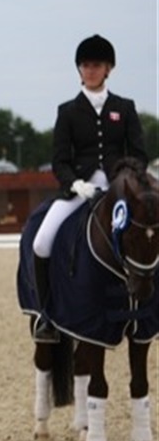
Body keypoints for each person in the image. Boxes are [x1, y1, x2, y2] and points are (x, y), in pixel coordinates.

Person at [31, 34, 147, 342]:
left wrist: (126, 178)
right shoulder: (67, 111)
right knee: (41, 242)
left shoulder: (124, 108)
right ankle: (47, 316)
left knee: (149, 234)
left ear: (109, 68)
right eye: (85, 65)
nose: (90, 70)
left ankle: (150, 312)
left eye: (96, 65)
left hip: (118, 189)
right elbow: (59, 160)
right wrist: (74, 183)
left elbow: (139, 154)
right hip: (79, 188)